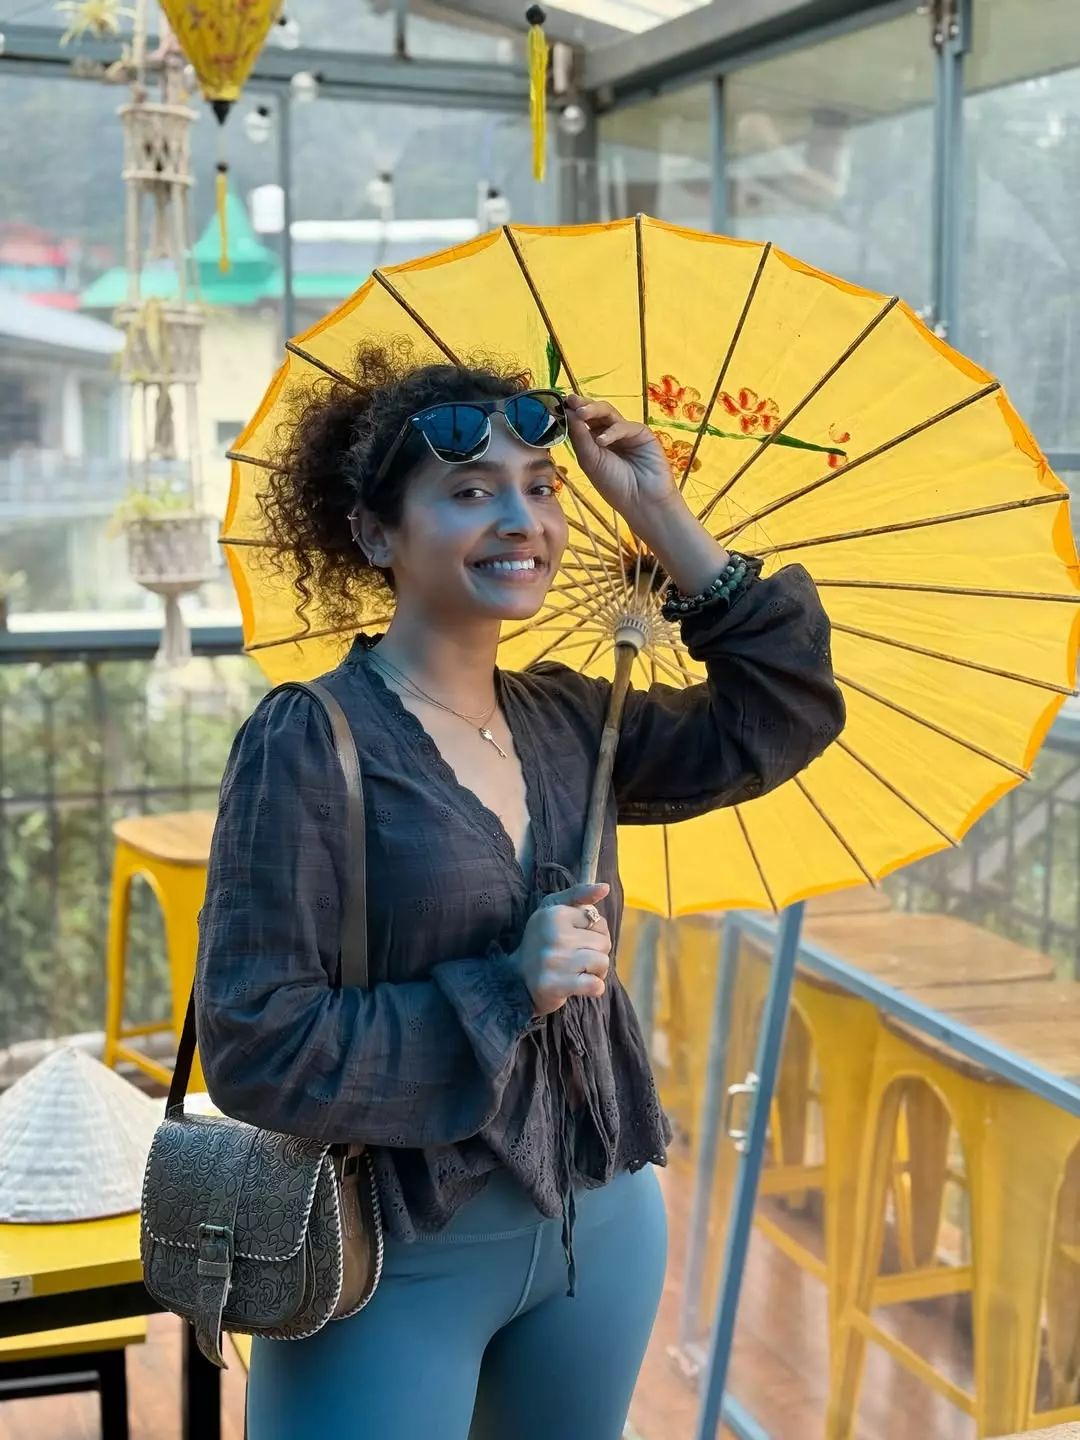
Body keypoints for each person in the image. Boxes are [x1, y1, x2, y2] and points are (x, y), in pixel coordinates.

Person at [195, 344, 845, 1440]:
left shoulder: (574, 721)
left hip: (604, 1224)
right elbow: (256, 1044)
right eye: (469, 492)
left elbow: (779, 717)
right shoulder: (312, 741)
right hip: (389, 1250)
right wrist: (507, 988)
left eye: (541, 489)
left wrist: (662, 518)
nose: (522, 521)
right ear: (375, 534)